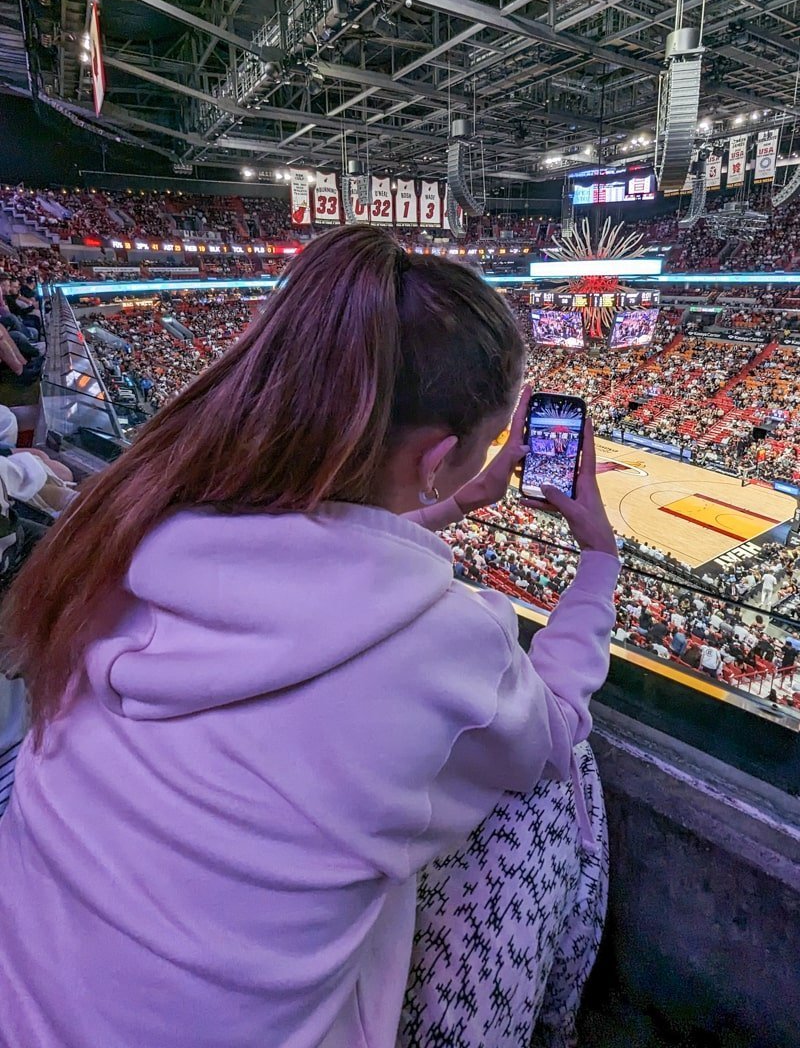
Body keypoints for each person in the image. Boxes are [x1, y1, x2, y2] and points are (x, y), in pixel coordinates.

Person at [0, 227, 620, 1048]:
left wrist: (451, 502)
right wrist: (599, 561)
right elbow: (555, 725)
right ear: (439, 456)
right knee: (551, 784)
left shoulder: (136, 531)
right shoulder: (448, 640)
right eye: (490, 440)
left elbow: (296, 576)